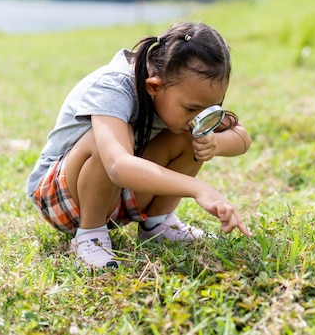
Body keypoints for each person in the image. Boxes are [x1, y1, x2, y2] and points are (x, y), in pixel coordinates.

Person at [26, 21, 253, 270]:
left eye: (210, 109)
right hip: (64, 196)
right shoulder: (113, 87)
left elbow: (242, 137)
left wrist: (215, 143)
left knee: (190, 136)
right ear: (153, 86)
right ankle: (89, 236)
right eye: (191, 109)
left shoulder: (186, 96)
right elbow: (117, 165)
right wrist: (198, 188)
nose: (198, 117)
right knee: (104, 142)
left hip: (119, 196)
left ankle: (158, 225)